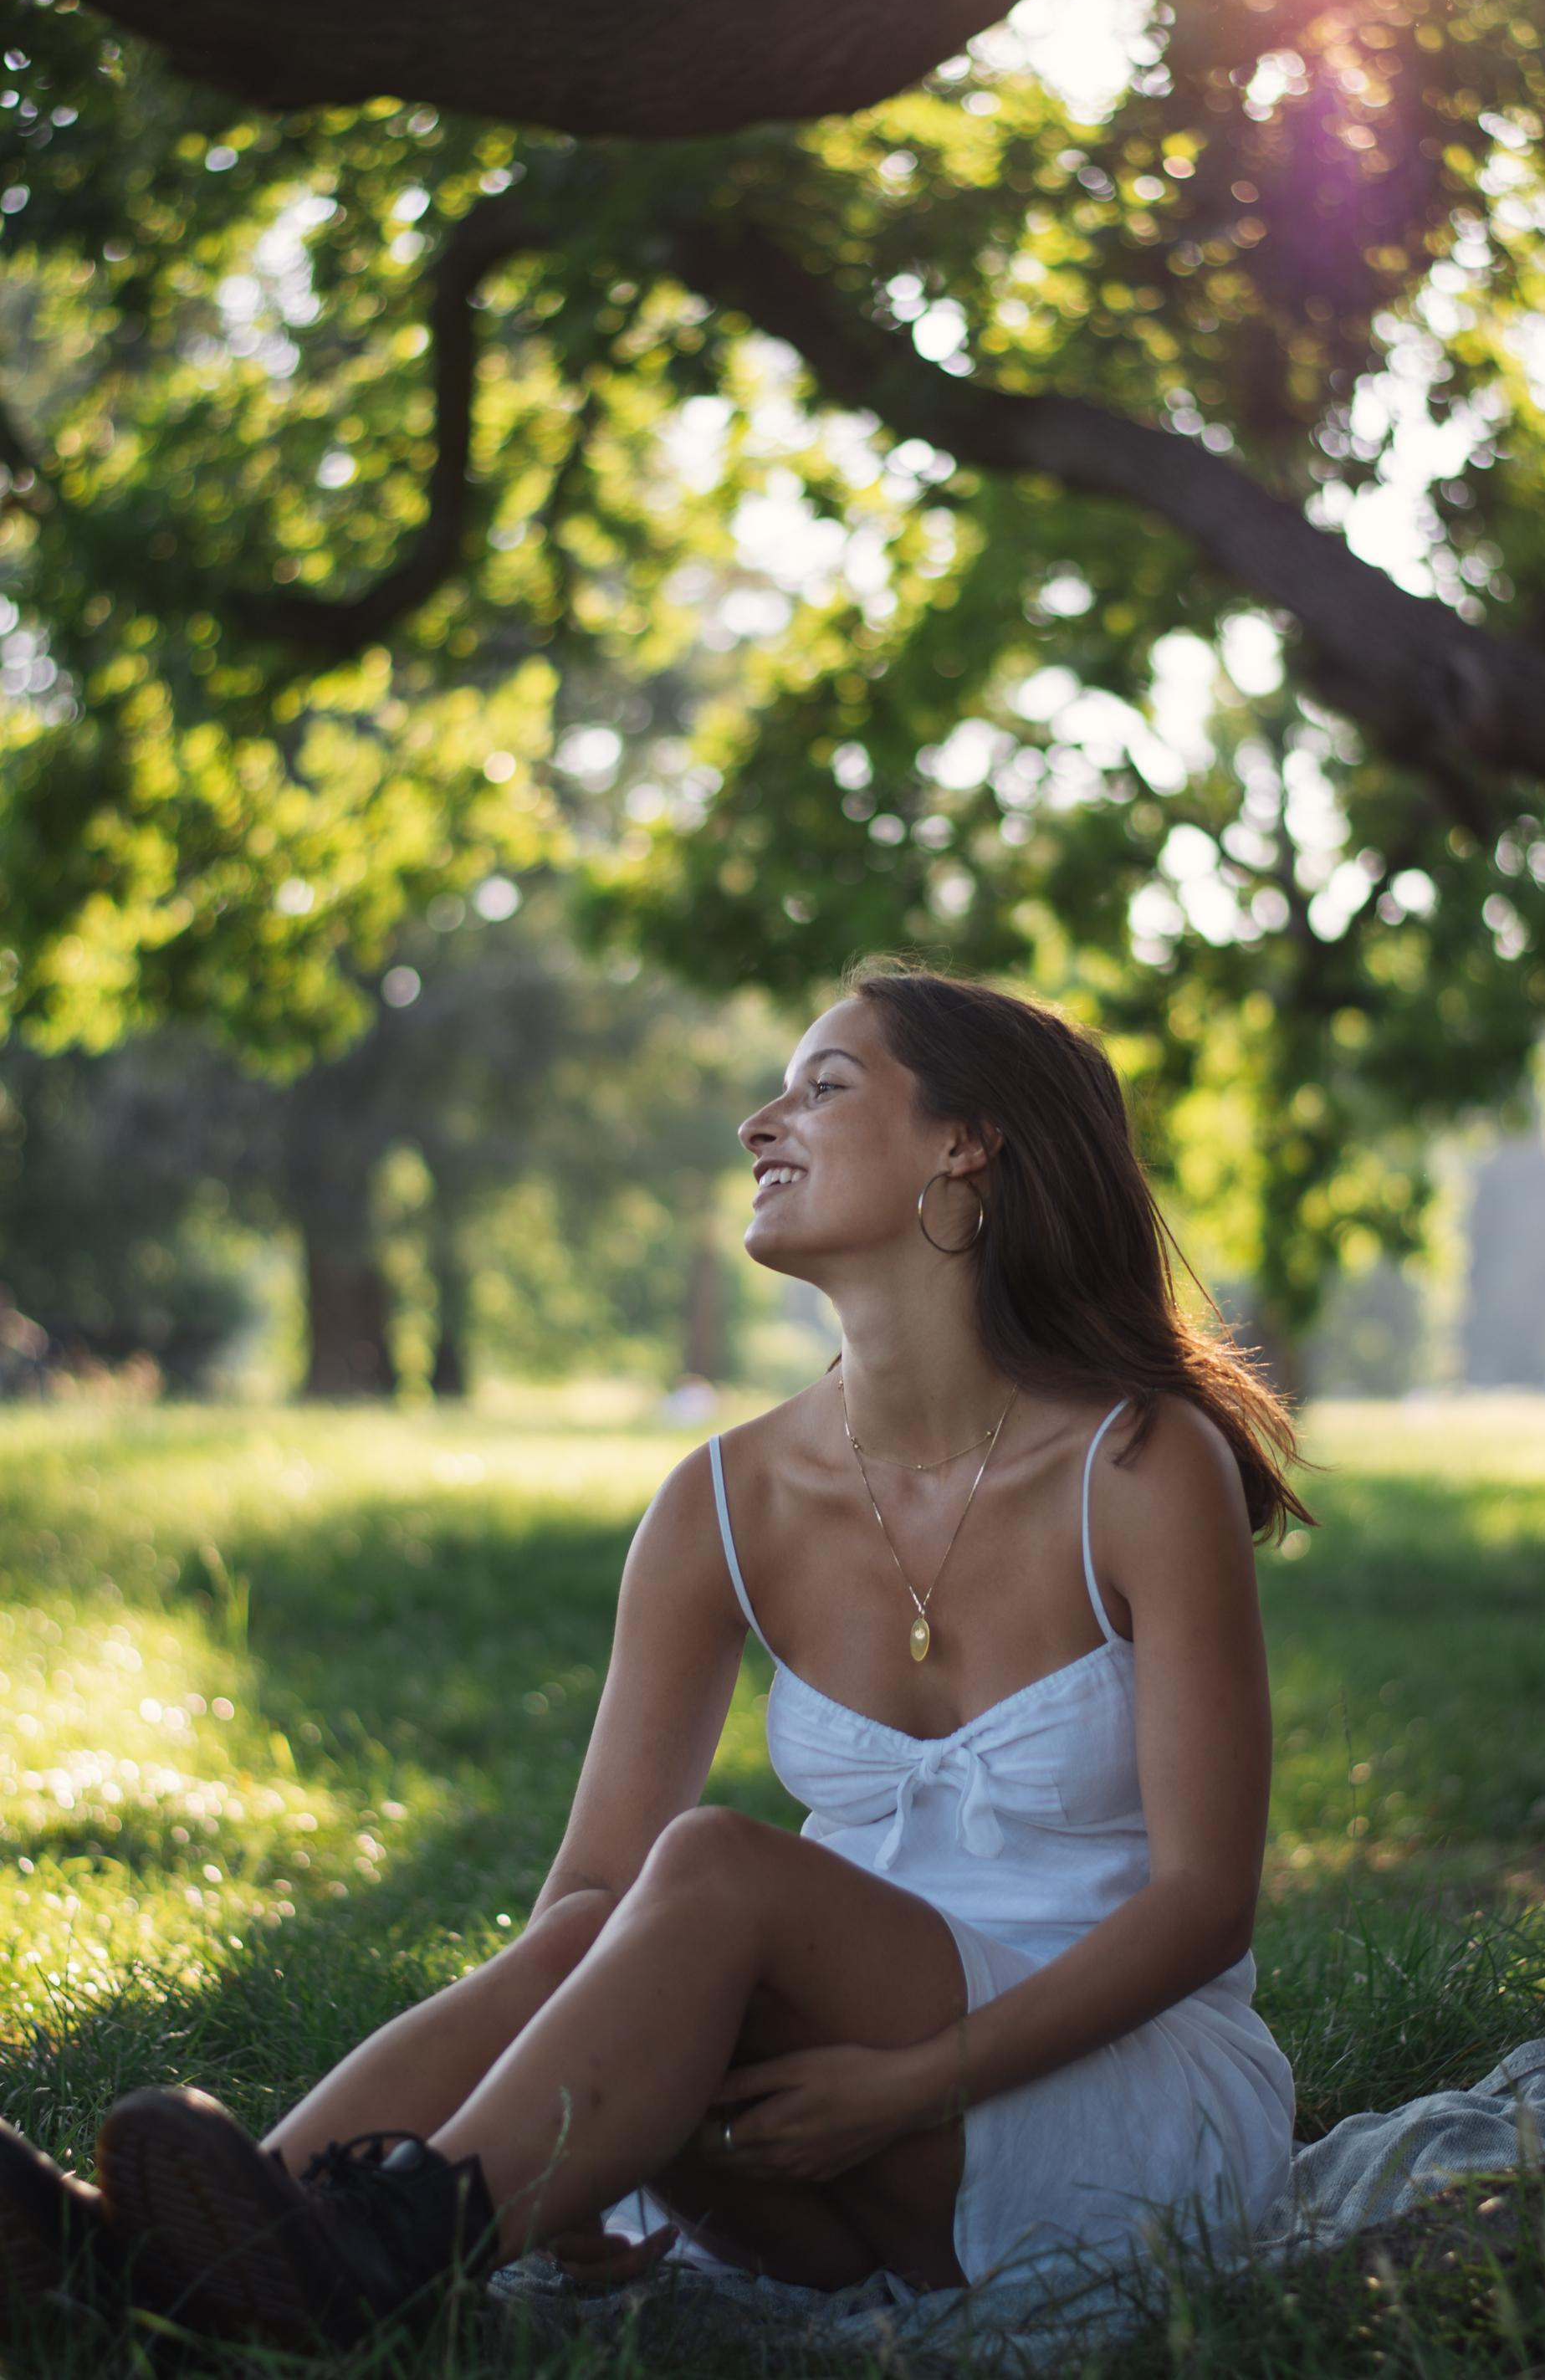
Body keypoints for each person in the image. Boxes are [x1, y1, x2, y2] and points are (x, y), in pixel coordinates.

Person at [0, 961, 1311, 2350]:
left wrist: (912, 2083)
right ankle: (187, 2262)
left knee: (715, 1862)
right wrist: (547, 2119)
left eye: (824, 1084)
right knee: (593, 1923)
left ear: (964, 1144)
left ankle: (360, 2248)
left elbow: (1203, 1907)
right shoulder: (723, 1502)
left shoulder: (1142, 1461)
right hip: (820, 2142)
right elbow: (588, 1899)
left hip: (1118, 2113)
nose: (761, 1121)